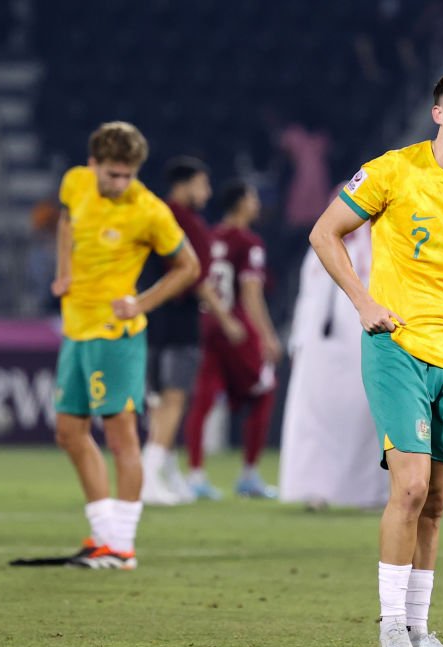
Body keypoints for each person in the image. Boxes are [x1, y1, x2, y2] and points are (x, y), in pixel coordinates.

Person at [309, 66, 443, 647]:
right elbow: (326, 233)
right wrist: (364, 301)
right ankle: (392, 626)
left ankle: (423, 631)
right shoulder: (392, 171)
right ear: (438, 113)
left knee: (437, 502)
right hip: (397, 346)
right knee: (411, 485)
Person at [51, 121, 200, 569]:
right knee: (69, 432)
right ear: (93, 163)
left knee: (121, 438)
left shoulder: (150, 210)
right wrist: (64, 272)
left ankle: (123, 545)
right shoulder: (75, 182)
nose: (120, 183)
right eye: (112, 174)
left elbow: (188, 266)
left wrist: (141, 303)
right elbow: (63, 220)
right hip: (76, 329)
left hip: (116, 337)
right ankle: (103, 535)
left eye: (128, 175)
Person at [139, 157, 246, 505]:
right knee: (173, 398)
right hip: (180, 320)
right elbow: (195, 276)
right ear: (183, 185)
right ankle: (149, 475)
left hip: (152, 318)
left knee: (160, 399)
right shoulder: (184, 222)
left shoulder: (154, 215)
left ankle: (167, 472)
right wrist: (226, 318)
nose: (207, 192)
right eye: (202, 184)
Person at [278, 219, 388, 509]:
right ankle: (314, 490)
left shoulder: (376, 252)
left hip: (359, 347)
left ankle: (368, 491)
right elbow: (307, 300)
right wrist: (297, 341)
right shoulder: (317, 254)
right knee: (314, 420)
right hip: (318, 351)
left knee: (364, 419)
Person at [184, 180, 283, 500]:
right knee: (264, 391)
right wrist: (267, 336)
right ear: (241, 203)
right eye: (253, 197)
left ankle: (196, 474)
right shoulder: (249, 242)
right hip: (237, 329)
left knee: (202, 401)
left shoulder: (208, 237)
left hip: (207, 326)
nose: (256, 203)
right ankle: (249, 474)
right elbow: (251, 293)